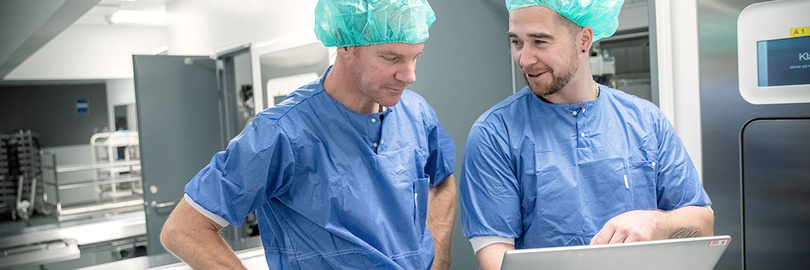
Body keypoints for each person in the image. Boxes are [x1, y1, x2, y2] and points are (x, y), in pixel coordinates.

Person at [160, 0, 457, 269]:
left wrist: (439, 259)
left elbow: (442, 181)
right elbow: (183, 229)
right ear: (346, 45)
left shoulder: (416, 113)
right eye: (391, 58)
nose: (409, 75)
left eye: (415, 56)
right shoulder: (282, 133)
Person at [458, 0, 714, 269]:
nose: (525, 59)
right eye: (517, 42)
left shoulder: (646, 120)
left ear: (584, 39)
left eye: (540, 42)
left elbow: (703, 224)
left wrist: (658, 223)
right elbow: (496, 258)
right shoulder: (494, 134)